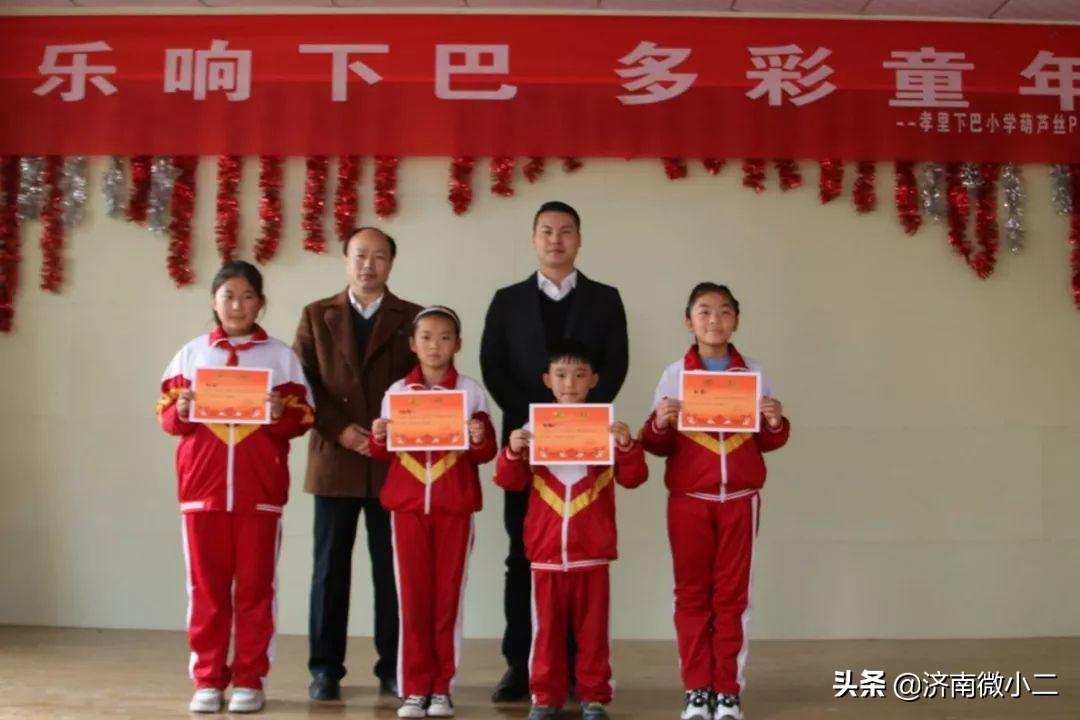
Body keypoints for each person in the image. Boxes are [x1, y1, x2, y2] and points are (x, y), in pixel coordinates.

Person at [480, 201, 629, 701]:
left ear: (579, 240)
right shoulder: (507, 300)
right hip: (527, 446)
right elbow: (493, 366)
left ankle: (578, 671)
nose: (556, 240)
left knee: (582, 562)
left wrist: (579, 420)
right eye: (546, 231)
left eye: (566, 232)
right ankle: (521, 665)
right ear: (533, 239)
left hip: (587, 448)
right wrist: (536, 424)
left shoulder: (606, 299)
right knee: (522, 554)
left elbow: (615, 365)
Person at [157, 260, 314, 714]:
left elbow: (305, 417)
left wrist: (280, 411)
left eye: (248, 297)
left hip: (259, 494)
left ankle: (250, 678)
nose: (237, 305)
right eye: (228, 296)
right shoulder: (191, 355)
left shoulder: (280, 357)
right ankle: (208, 679)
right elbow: (165, 416)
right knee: (205, 591)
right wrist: (181, 410)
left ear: (260, 303)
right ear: (214, 301)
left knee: (255, 591)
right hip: (201, 493)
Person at [640, 283, 790, 720]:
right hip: (689, 500)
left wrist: (775, 421)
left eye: (724, 311)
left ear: (736, 320)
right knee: (690, 597)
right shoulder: (673, 375)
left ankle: (727, 691)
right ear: (689, 322)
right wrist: (660, 423)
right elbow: (656, 443)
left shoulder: (754, 373)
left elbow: (769, 440)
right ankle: (696, 690)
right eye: (704, 311)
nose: (714, 320)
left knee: (732, 598)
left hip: (740, 499)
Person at [293, 227, 422, 701]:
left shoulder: (412, 318)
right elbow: (302, 383)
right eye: (360, 255)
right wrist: (340, 430)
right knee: (329, 572)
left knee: (393, 571)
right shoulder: (316, 315)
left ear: (392, 263)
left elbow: (422, 380)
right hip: (335, 459)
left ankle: (394, 667)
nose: (369, 265)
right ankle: (325, 670)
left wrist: (389, 432)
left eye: (379, 256)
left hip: (392, 461)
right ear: (345, 260)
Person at [493, 340, 647, 720]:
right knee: (545, 631)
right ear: (547, 379)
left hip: (591, 550)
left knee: (593, 632)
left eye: (579, 375)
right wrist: (512, 451)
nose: (570, 383)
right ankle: (545, 697)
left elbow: (634, 478)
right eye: (561, 375)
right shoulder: (530, 429)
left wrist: (627, 446)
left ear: (593, 380)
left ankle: (593, 696)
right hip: (546, 552)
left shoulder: (607, 428)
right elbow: (509, 481)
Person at [368, 306, 498, 718]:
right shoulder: (396, 392)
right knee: (412, 600)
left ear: (458, 344)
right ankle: (414, 688)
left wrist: (478, 435)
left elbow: (486, 451)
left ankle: (441, 688)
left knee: (447, 601)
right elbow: (382, 451)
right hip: (407, 509)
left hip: (454, 507)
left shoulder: (471, 392)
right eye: (425, 337)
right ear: (412, 344)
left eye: (444, 337)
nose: (434, 346)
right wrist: (379, 435)